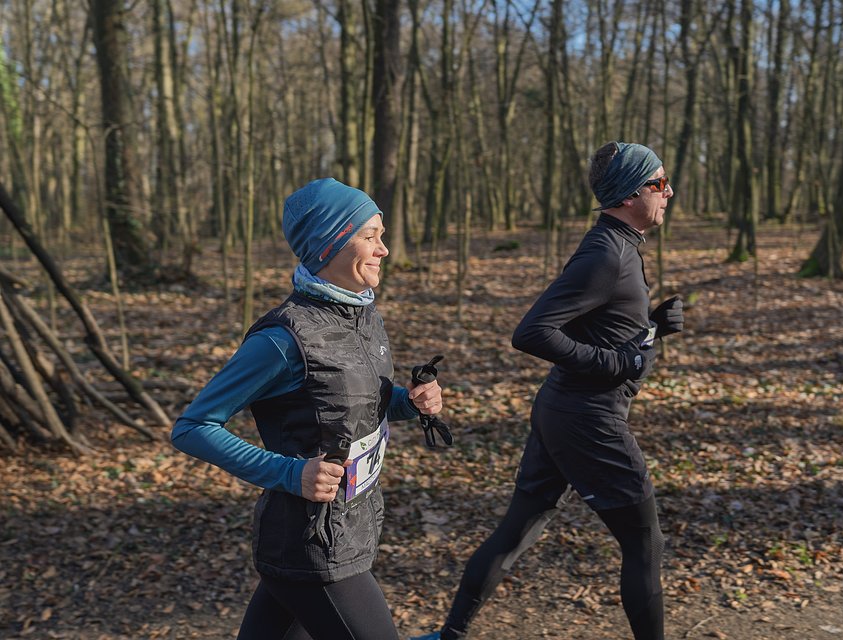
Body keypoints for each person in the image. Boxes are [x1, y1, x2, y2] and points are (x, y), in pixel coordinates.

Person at [412, 142, 682, 640]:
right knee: (645, 542)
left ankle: (449, 636)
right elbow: (532, 332)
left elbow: (595, 323)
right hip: (589, 419)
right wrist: (616, 362)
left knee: (518, 530)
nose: (670, 193)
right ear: (627, 194)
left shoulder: (618, 245)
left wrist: (650, 328)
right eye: (659, 184)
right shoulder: (606, 254)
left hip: (565, 410)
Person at [171, 178, 445, 640]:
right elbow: (193, 426)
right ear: (331, 243)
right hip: (312, 546)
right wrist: (288, 473)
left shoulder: (363, 314)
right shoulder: (281, 340)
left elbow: (350, 407)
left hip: (351, 527)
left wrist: (408, 402)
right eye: (370, 235)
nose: (385, 249)